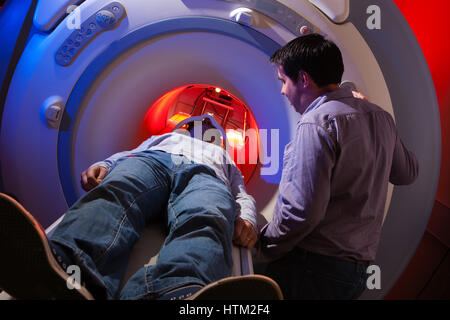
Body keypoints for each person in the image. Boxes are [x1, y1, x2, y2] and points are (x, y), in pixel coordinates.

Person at [0, 114, 266, 300]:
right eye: (196, 126)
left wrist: (247, 219)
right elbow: (126, 157)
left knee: (208, 214)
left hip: (206, 174)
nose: (202, 131)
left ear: (217, 139)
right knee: (118, 190)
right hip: (155, 161)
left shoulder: (223, 156)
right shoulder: (161, 138)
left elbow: (240, 194)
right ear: (184, 128)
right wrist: (104, 165)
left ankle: (177, 291)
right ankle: (70, 269)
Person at [256, 34, 419, 299]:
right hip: (355, 273)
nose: (283, 91)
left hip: (313, 267)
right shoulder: (380, 117)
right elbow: (408, 173)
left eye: (284, 81)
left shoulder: (317, 123)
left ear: (304, 79)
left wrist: (263, 246)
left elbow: (302, 212)